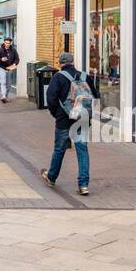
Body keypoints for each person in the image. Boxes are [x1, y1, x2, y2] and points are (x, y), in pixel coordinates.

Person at [41, 51, 99, 195]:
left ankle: (51, 177)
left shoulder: (58, 77)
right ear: (73, 62)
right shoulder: (85, 76)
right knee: (82, 149)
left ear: (61, 63)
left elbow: (51, 99)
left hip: (64, 118)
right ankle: (83, 185)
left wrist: (57, 114)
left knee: (60, 148)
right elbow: (95, 96)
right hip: (83, 117)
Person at [0, 37, 20, 104]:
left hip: (9, 68)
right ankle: (3, 96)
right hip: (2, 68)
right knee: (3, 82)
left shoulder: (13, 50)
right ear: (4, 42)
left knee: (9, 84)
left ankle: (6, 96)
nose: (7, 44)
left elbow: (17, 59)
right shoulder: (0, 50)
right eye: (6, 43)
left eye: (8, 43)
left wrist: (14, 63)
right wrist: (1, 59)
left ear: (10, 43)